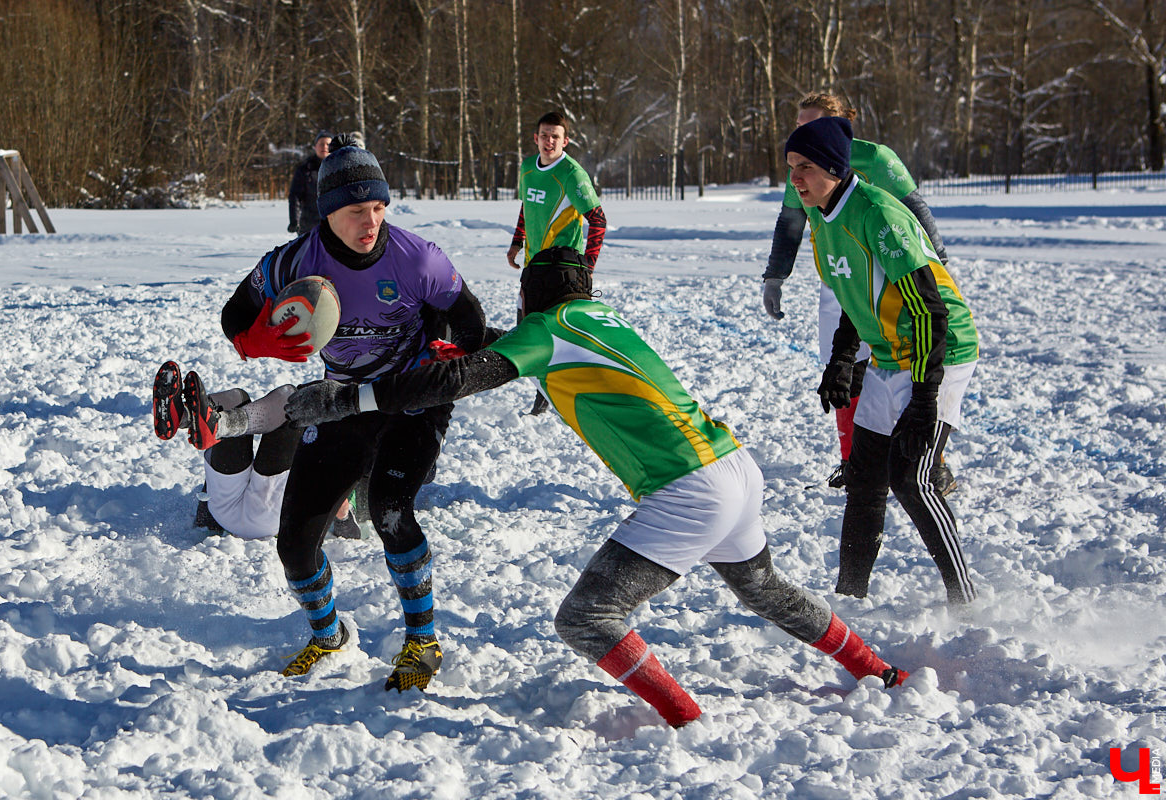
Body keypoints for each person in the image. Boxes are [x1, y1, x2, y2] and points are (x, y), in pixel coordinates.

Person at [283, 246, 909, 728]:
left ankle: (686, 721)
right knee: (765, 590)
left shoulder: (547, 327)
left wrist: (351, 397)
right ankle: (874, 668)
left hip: (691, 490)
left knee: (586, 619)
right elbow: (513, 351)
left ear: (532, 298)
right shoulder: (597, 318)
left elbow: (458, 382)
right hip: (735, 467)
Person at [223, 133, 488, 686]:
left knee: (390, 507)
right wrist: (264, 341)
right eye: (354, 211)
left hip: (412, 401)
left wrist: (448, 353)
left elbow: (470, 321)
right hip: (341, 402)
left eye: (378, 207)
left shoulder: (418, 258)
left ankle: (423, 644)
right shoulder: (296, 260)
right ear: (326, 213)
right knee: (294, 544)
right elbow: (235, 316)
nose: (370, 223)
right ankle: (328, 637)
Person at [784, 116, 979, 605]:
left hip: (939, 350)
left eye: (805, 167)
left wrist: (923, 399)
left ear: (833, 165)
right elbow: (855, 297)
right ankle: (850, 598)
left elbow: (929, 308)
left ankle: (966, 601)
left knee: (912, 480)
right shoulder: (821, 217)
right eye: (790, 167)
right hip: (890, 354)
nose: (795, 179)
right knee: (864, 478)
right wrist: (842, 359)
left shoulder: (877, 214)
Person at [761, 94, 956, 494]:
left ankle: (930, 461)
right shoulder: (802, 165)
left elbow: (914, 208)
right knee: (842, 370)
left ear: (838, 127)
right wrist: (775, 275)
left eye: (810, 124)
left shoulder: (877, 159)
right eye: (798, 124)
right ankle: (854, 460)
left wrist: (936, 266)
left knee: (903, 363)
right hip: (840, 279)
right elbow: (791, 222)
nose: (800, 133)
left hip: (888, 275)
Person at [151, 361, 360, 540]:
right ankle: (198, 418)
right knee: (260, 405)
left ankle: (184, 417)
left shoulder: (342, 448)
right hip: (264, 516)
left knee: (279, 400)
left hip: (228, 508)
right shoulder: (342, 451)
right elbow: (345, 520)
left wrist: (205, 519)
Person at [506, 111, 607, 415]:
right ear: (536, 138)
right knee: (526, 329)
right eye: (544, 135)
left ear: (565, 141)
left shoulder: (572, 174)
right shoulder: (526, 168)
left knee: (560, 334)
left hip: (564, 269)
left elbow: (598, 219)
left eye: (555, 136)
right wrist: (516, 242)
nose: (549, 141)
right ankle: (547, 392)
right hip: (533, 265)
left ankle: (570, 394)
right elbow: (527, 206)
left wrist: (587, 267)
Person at [288, 131, 333, 236]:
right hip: (309, 225)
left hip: (335, 225)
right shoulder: (305, 169)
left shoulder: (340, 168)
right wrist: (294, 221)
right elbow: (295, 197)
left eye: (328, 144)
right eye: (321, 144)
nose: (325, 147)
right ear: (315, 147)